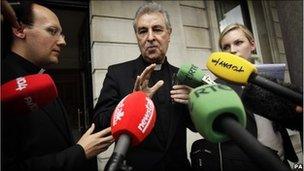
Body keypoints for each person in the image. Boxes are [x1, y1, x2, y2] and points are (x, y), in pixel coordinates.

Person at [1, 2, 114, 171]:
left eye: (61, 34)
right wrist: (79, 152)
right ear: (19, 30)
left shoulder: (41, 79)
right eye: (52, 31)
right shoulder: (4, 81)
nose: (62, 42)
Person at [93, 2, 195, 170]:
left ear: (169, 34)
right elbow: (99, 123)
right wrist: (133, 103)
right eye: (143, 31)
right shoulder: (117, 73)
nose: (150, 37)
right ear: (137, 37)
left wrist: (195, 102)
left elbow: (195, 127)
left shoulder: (183, 77)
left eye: (157, 29)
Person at [218, 23, 297, 168]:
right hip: (249, 164)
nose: (232, 50)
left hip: (281, 160)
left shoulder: (269, 78)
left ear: (252, 44)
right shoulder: (217, 87)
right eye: (226, 47)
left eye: (238, 43)